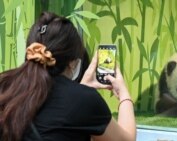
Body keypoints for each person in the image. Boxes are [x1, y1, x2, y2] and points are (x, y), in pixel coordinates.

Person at [0, 12, 136, 141]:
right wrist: (124, 96)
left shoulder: (5, 85)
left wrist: (80, 90)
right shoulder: (84, 100)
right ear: (72, 63)